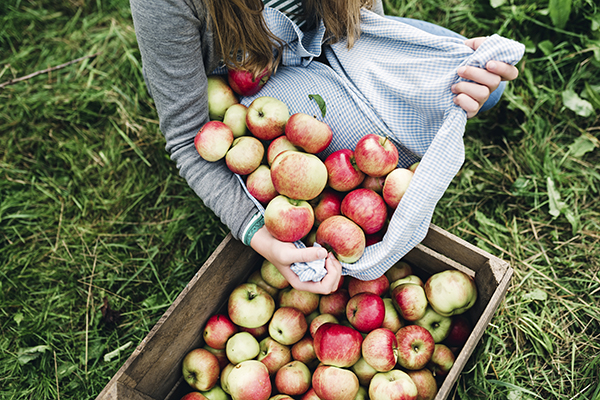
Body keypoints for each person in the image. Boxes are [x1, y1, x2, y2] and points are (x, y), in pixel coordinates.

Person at [129, 0, 519, 294]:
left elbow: (360, 16)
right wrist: (264, 239)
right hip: (256, 80)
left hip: (330, 37)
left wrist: (427, 62)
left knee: (485, 85)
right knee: (371, 167)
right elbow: (186, 138)